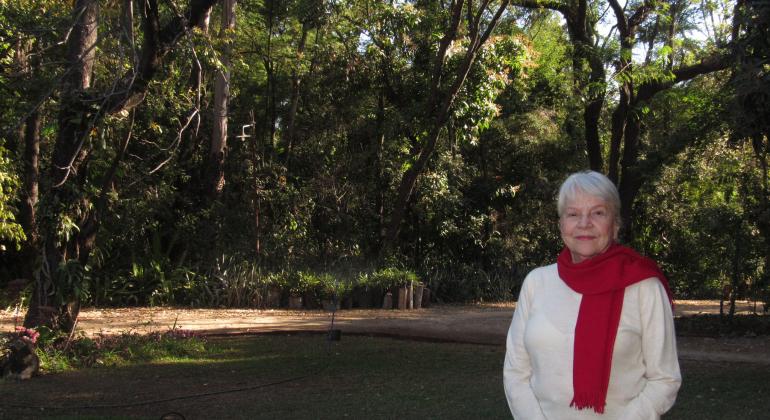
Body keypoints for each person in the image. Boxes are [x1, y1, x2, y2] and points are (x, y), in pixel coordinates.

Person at [503, 170, 681, 419]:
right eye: (573, 214)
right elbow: (516, 372)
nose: (584, 223)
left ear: (615, 224)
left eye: (598, 213)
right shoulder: (536, 282)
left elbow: (665, 379)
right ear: (561, 224)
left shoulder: (644, 286)